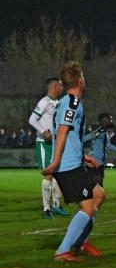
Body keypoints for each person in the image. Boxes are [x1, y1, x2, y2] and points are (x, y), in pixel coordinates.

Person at [42, 61, 101, 261]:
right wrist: (56, 161)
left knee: (99, 195)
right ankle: (63, 251)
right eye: (83, 76)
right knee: (87, 208)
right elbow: (63, 131)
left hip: (74, 161)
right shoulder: (72, 102)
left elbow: (70, 135)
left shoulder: (67, 101)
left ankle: (81, 243)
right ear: (79, 80)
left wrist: (83, 155)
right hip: (67, 166)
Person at [28, 77, 69, 219]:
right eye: (61, 85)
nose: (62, 88)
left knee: (59, 174)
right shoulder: (44, 102)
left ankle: (57, 205)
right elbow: (32, 119)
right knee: (48, 174)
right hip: (44, 144)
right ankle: (46, 209)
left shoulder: (59, 103)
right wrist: (44, 130)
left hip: (56, 143)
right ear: (54, 87)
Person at [83, 113, 116, 212]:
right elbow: (85, 139)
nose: (112, 121)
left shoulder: (104, 133)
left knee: (97, 187)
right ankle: (88, 210)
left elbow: (109, 146)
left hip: (99, 164)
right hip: (94, 164)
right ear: (105, 121)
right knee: (96, 188)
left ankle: (89, 208)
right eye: (110, 119)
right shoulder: (99, 131)